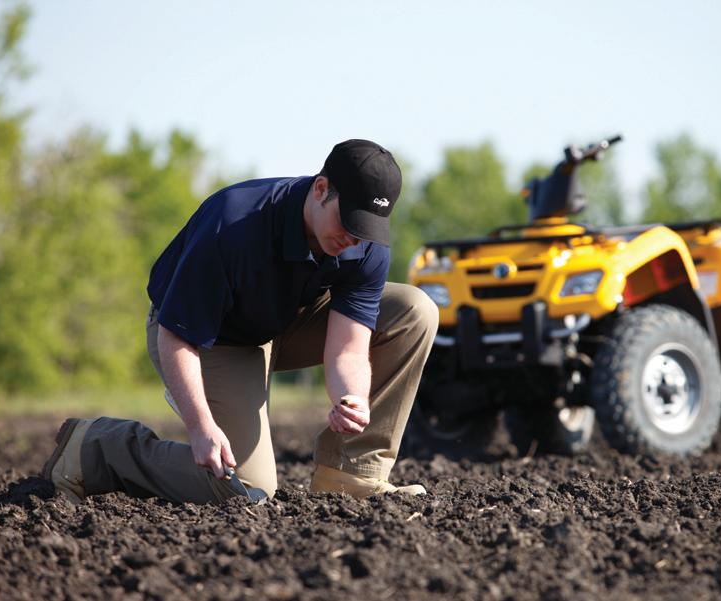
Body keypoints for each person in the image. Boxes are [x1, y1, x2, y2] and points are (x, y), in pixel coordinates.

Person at [41, 139, 438, 504]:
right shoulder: (233, 223)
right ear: (321, 189)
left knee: (414, 310)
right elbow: (176, 336)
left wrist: (352, 399)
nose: (354, 238)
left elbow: (348, 350)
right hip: (208, 338)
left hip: (285, 320)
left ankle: (350, 474)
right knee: (247, 489)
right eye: (347, 221)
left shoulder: (365, 244)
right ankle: (97, 449)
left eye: (365, 227)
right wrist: (201, 427)